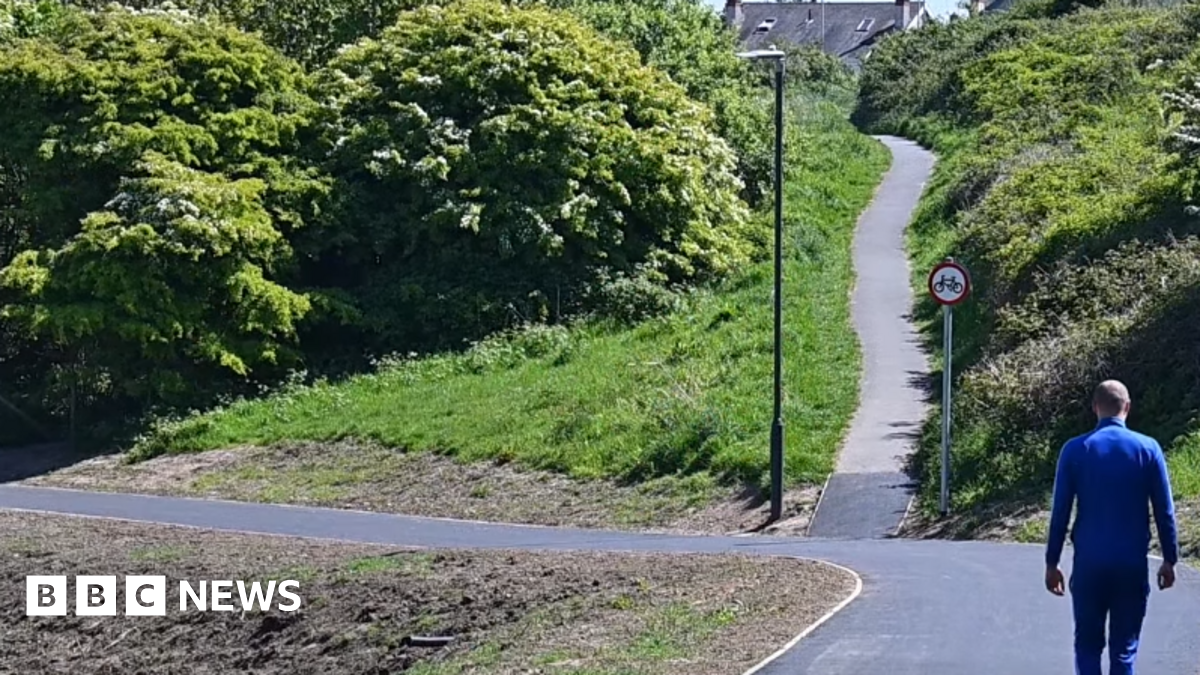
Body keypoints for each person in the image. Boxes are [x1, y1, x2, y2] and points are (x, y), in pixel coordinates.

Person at [1044, 379, 1179, 675]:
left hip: (1090, 565)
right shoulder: (1148, 449)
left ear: (1095, 408)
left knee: (1087, 646)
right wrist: (1170, 559)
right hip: (1131, 565)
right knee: (1124, 650)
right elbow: (1164, 511)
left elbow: (1061, 512)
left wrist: (1052, 562)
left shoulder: (1075, 450)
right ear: (1127, 407)